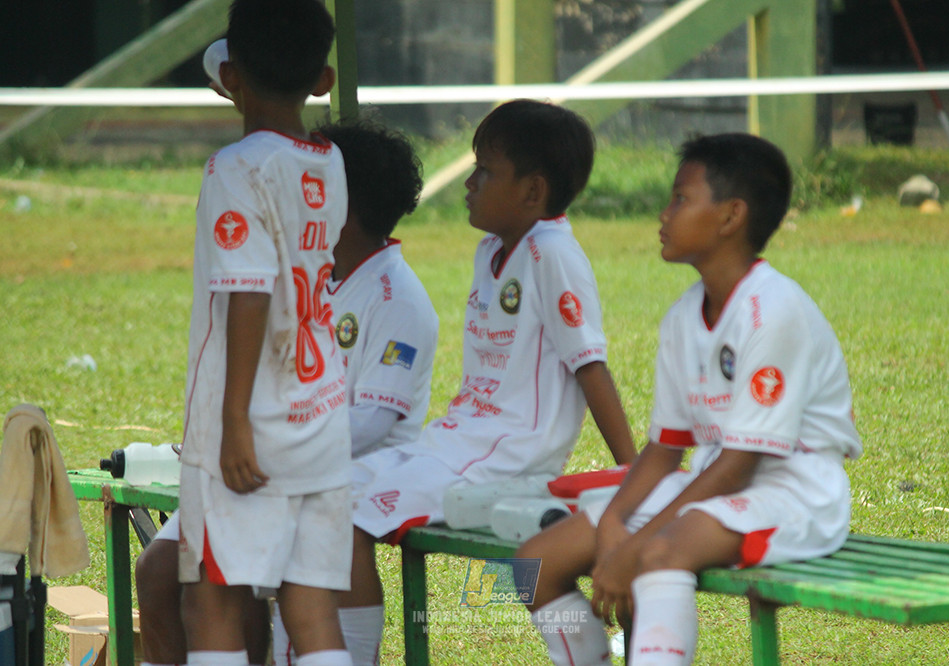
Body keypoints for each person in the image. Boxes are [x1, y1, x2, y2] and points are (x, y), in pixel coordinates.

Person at [517, 132, 863, 666]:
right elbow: (663, 450)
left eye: (681, 198)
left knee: (659, 553)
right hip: (708, 483)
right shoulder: (683, 315)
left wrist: (632, 545)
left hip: (794, 493)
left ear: (730, 216)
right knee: (532, 564)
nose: (664, 213)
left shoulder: (773, 310)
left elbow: (740, 466)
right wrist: (613, 523)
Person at [339, 99, 638, 665]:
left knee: (345, 514)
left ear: (533, 191)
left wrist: (634, 475)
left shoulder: (552, 255)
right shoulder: (490, 252)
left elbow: (589, 366)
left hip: (505, 457)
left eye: (485, 170)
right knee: (327, 493)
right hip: (456, 441)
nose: (470, 183)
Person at [136, 116, 437, 666]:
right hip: (261, 453)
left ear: (338, 204)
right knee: (158, 571)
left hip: (350, 468)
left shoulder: (399, 298)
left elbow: (374, 422)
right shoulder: (313, 271)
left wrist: (267, 448)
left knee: (282, 580)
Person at [175, 0, 353, 664]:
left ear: (233, 76)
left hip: (255, 425)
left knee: (213, 601)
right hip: (321, 416)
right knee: (310, 607)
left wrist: (233, 423)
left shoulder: (237, 168)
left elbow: (248, 298)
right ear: (324, 81)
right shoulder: (329, 162)